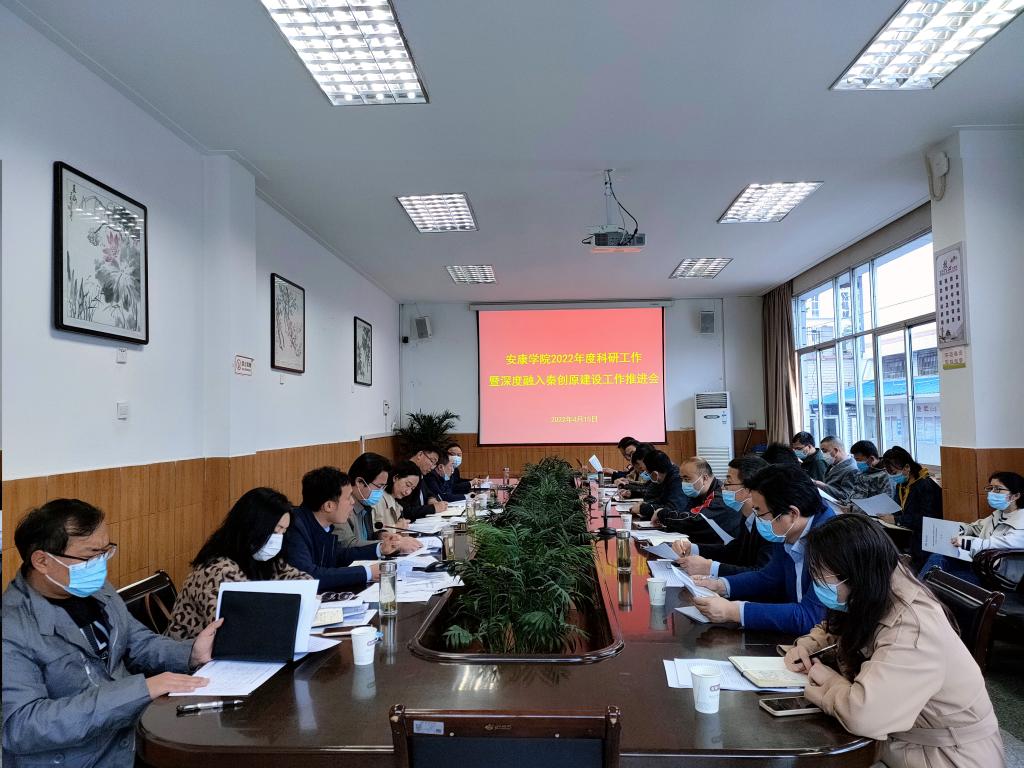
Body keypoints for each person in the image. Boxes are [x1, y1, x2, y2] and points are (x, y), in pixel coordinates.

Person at [4, 499, 222, 768]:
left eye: (105, 552)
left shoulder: (96, 591)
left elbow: (136, 643)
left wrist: (190, 653)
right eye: (90, 556)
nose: (100, 564)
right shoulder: (12, 627)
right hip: (80, 758)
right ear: (42, 561)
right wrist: (138, 691)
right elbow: (22, 726)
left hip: (133, 738)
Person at [785, 514, 1004, 768]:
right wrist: (809, 645)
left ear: (853, 573)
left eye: (821, 575)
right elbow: (840, 627)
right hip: (905, 742)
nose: (817, 583)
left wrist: (830, 682)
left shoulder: (913, 628)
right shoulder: (877, 587)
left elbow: (864, 716)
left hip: (947, 757)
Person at [691, 464, 835, 635]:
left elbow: (811, 617)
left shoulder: (832, 541)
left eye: (760, 512)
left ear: (792, 514)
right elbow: (770, 577)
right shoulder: (788, 529)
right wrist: (721, 585)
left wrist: (734, 611)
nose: (757, 518)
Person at [168, 487, 312, 639]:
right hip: (191, 651)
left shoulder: (263, 559)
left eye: (283, 532)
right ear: (253, 526)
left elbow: (302, 581)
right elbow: (233, 628)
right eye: (276, 531)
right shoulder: (218, 570)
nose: (279, 539)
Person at [284, 467, 400, 591]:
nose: (352, 502)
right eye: (348, 497)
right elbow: (309, 575)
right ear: (329, 506)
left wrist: (380, 548)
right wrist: (367, 573)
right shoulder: (294, 528)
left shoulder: (324, 524)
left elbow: (338, 556)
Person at [672, 455, 771, 576]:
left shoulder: (768, 526)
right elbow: (734, 550)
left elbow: (762, 574)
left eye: (729, 482)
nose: (723, 487)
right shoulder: (748, 517)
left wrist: (710, 568)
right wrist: (693, 548)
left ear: (748, 490)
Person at [920, 471, 1024, 586]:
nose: (992, 493)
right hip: (979, 565)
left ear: (1016, 496)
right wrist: (955, 529)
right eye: (991, 488)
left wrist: (966, 542)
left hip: (996, 576)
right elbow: (975, 527)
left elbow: (999, 544)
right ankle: (917, 590)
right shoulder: (998, 514)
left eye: (998, 489)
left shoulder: (1021, 520)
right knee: (938, 557)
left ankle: (918, 591)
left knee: (936, 578)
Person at [882, 446, 943, 568]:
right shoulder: (901, 485)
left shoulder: (926, 486)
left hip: (925, 537)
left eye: (894, 472)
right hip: (908, 532)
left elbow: (927, 519)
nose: (892, 477)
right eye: (889, 473)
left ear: (907, 467)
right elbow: (899, 508)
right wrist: (889, 516)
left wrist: (896, 520)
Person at [657, 457, 740, 545]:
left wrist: (663, 514)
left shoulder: (721, 497)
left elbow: (695, 523)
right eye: (682, 479)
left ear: (704, 478)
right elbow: (685, 514)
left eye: (687, 479)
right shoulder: (697, 494)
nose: (683, 483)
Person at [343, 452, 392, 548]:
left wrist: (380, 536)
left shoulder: (365, 505)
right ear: (359, 482)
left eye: (383, 487)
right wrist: (386, 546)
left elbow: (365, 539)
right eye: (379, 486)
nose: (381, 492)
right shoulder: (342, 508)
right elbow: (348, 545)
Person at [373, 461, 428, 542]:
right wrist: (396, 527)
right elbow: (370, 533)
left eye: (412, 488)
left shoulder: (397, 503)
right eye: (407, 485)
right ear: (396, 478)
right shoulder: (376, 499)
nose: (408, 492)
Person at [623, 449, 686, 520]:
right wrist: (646, 504)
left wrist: (644, 509)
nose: (647, 475)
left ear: (655, 474)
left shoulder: (677, 479)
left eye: (647, 472)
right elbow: (661, 500)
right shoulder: (666, 476)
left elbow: (673, 509)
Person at [400, 445, 447, 520]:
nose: (432, 467)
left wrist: (431, 498)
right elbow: (405, 511)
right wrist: (433, 508)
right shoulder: (403, 473)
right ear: (420, 455)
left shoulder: (420, 474)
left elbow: (429, 492)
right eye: (432, 461)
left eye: (435, 464)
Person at [815, 436, 860, 501]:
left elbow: (846, 496)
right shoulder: (833, 464)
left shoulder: (852, 470)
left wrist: (822, 486)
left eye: (825, 451)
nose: (823, 455)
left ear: (836, 450)